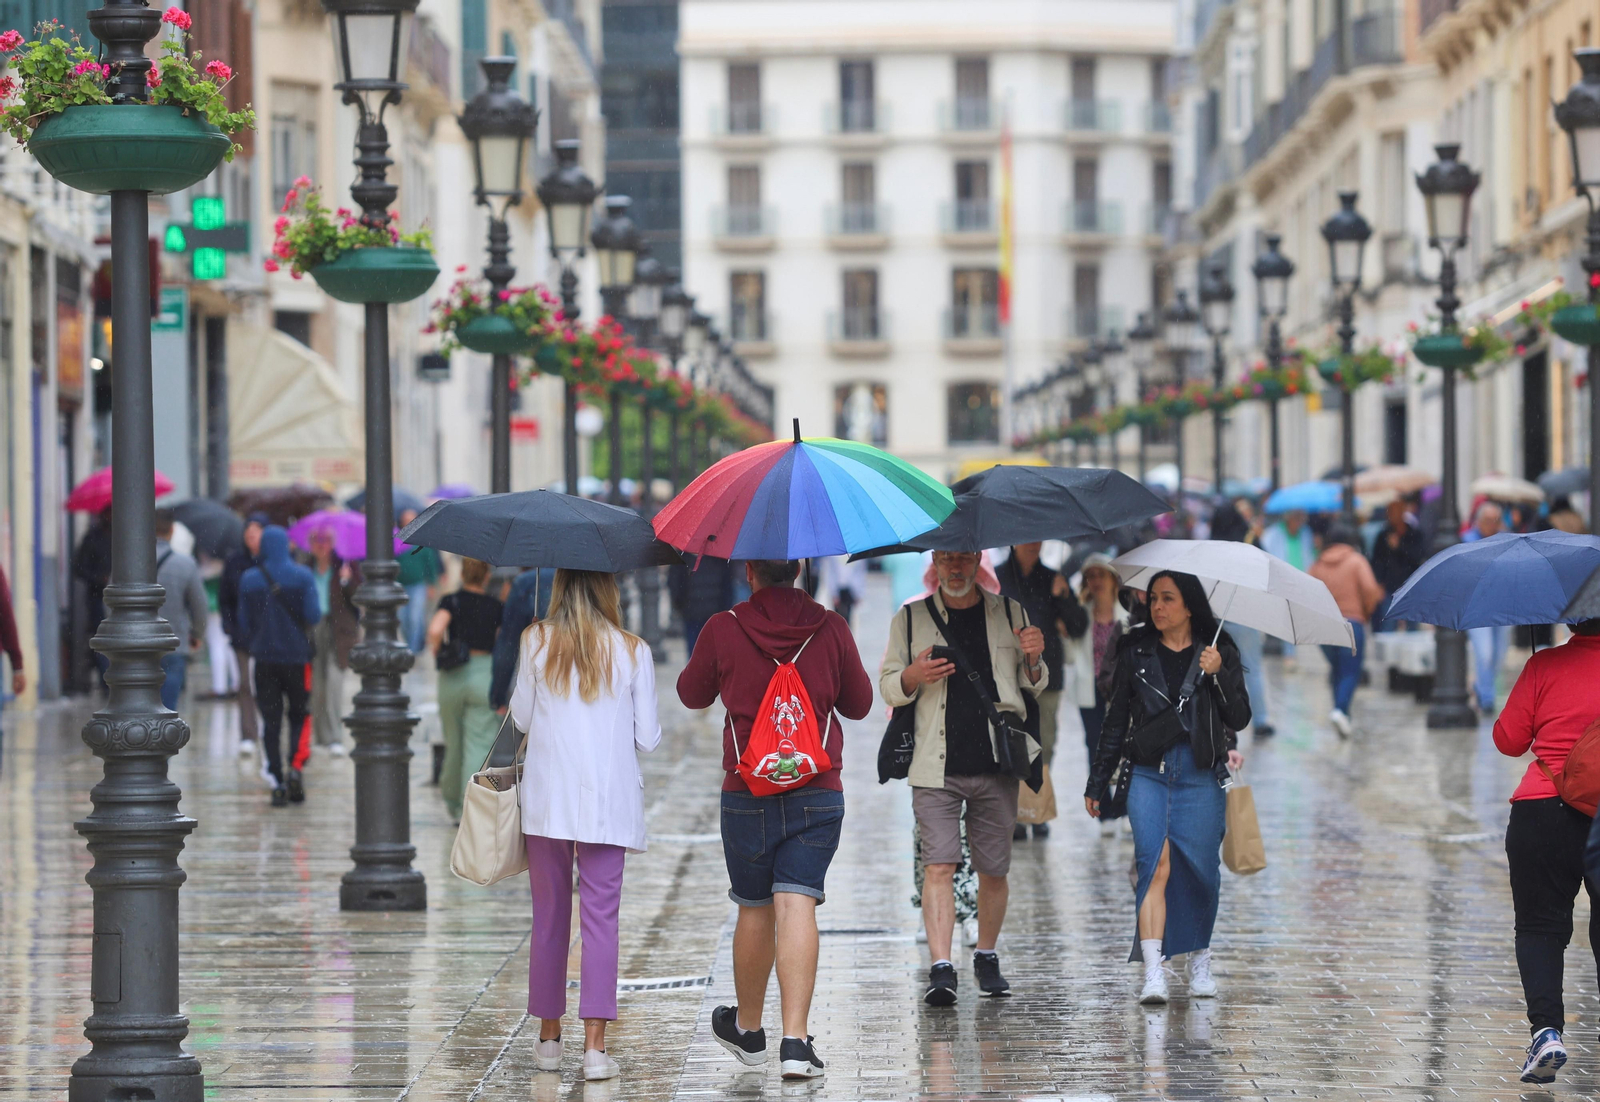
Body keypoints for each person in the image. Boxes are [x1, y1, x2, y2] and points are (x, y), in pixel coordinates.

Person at [677, 558, 873, 1080]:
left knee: (755, 907)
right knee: (798, 903)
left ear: (750, 571)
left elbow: (691, 694)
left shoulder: (723, 627)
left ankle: (748, 1030)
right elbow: (859, 704)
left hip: (746, 791)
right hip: (817, 789)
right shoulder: (831, 627)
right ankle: (795, 1043)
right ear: (801, 568)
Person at [509, 568, 660, 1082]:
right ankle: (595, 1050)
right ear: (608, 588)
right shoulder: (633, 650)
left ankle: (549, 1040)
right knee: (601, 922)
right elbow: (648, 738)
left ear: (559, 587)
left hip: (548, 800)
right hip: (607, 802)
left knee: (549, 917)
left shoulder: (536, 640)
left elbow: (521, 719)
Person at [880, 549, 1046, 1007]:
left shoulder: (1010, 613)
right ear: (934, 561)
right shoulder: (910, 618)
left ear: (977, 561)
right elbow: (889, 686)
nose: (955, 568)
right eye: (947, 558)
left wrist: (1034, 658)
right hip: (934, 765)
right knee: (939, 865)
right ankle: (941, 966)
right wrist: (913, 675)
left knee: (994, 869)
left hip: (997, 763)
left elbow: (1033, 684)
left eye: (964, 558)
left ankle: (986, 954)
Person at [1084, 571, 1249, 1005]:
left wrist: (1218, 674)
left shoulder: (1219, 650)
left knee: (1202, 872)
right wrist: (1098, 781)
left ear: (1190, 606)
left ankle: (1200, 958)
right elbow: (1116, 721)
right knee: (1153, 865)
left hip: (1200, 774)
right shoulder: (1135, 652)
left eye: (1168, 599)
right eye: (1153, 598)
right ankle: (1153, 971)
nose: (1157, 607)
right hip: (1148, 774)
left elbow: (1239, 717)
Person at [1492, 619, 1600, 1085]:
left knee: (1540, 926)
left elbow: (1508, 740)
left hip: (1542, 810)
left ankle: (1546, 1034)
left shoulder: (1545, 664)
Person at [995, 541, 1086, 840]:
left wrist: (1065, 596)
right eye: (1028, 540)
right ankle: (1015, 812)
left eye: (1038, 540)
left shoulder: (1052, 578)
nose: (1034, 545)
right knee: (1011, 742)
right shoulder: (996, 578)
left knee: (1044, 742)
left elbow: (1078, 626)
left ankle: (1036, 808)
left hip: (1047, 676)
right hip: (1006, 675)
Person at [236, 525, 321, 808]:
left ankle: (277, 780)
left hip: (264, 659)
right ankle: (295, 767)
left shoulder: (249, 579)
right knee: (300, 714)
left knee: (271, 722)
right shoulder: (303, 575)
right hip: (297, 658)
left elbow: (243, 623)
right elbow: (313, 615)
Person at [428, 557, 504, 824]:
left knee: (454, 743)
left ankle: (451, 802)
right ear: (486, 576)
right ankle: (468, 805)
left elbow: (435, 629)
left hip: (453, 675)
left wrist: (438, 649)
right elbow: (504, 643)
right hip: (484, 675)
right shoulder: (496, 606)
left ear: (462, 574)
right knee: (478, 744)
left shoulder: (451, 601)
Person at [1066, 553, 1131, 834]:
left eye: (1101, 575)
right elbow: (1070, 655)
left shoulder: (1127, 614)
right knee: (1095, 747)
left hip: (1121, 691)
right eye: (1090, 576)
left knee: (1125, 747)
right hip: (1090, 689)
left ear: (1113, 579)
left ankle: (1126, 808)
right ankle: (1103, 811)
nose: (1096, 581)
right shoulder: (1080, 613)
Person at [1307, 526, 1384, 738]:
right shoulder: (1356, 561)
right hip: (1352, 623)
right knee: (1350, 671)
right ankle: (1340, 710)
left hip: (1325, 626)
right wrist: (1365, 612)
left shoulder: (1318, 564)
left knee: (1338, 670)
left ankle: (1342, 716)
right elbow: (1370, 590)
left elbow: (1306, 592)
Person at [1212, 500, 1273, 736]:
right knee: (1252, 669)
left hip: (1216, 614)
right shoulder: (1249, 540)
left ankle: (1220, 722)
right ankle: (1261, 720)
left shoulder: (1212, 545)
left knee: (1216, 670)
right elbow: (1265, 571)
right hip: (1245, 613)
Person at [305, 526, 360, 756]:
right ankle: (321, 737)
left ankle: (335, 736)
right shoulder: (306, 567)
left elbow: (359, 600)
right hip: (313, 628)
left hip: (339, 631)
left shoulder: (346, 566)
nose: (321, 545)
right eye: (317, 540)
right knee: (317, 686)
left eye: (326, 540)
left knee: (334, 684)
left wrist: (348, 581)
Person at [219, 513, 268, 754]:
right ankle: (248, 733)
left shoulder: (273, 560)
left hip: (269, 634)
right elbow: (225, 597)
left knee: (267, 685)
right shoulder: (234, 561)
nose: (252, 535)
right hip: (242, 633)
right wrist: (229, 625)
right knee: (245, 685)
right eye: (249, 530)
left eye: (257, 530)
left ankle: (270, 727)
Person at [153, 509, 209, 712]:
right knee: (168, 705)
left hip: (136, 644)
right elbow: (199, 605)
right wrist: (197, 634)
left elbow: (109, 599)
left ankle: (141, 729)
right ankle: (164, 729)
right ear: (172, 530)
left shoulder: (127, 563)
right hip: (173, 641)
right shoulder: (185, 564)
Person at [1464, 502, 1511, 711]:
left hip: (1503, 606)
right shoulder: (1467, 541)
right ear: (1479, 521)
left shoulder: (1506, 540)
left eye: (1495, 520)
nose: (1492, 524)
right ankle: (1486, 697)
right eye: (1488, 520)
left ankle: (1483, 687)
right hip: (1477, 608)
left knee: (1499, 656)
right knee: (1485, 654)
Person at [1370, 498, 1428, 631]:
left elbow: (1418, 556)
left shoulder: (1414, 534)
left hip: (1410, 586)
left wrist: (1400, 546)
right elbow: (1378, 562)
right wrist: (1379, 583)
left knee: (1412, 626)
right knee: (1388, 625)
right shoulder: (1383, 535)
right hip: (1390, 587)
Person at [668, 554, 735, 659]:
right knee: (712, 651)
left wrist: (680, 606)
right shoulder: (719, 558)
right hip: (714, 612)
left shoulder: (684, 557)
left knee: (694, 651)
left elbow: (674, 584)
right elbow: (727, 587)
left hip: (692, 612)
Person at [396, 511, 441, 653]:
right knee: (403, 619)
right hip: (401, 585)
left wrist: (431, 584)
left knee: (415, 617)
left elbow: (430, 563)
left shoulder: (422, 541)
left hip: (418, 585)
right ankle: (411, 644)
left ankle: (413, 649)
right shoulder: (397, 541)